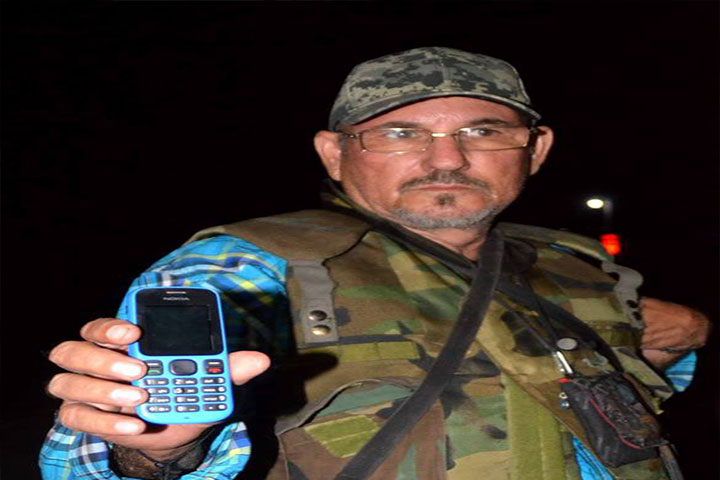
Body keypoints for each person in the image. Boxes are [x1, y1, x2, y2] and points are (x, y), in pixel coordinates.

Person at [41, 47, 711, 480]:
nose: (447, 158)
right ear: (334, 154)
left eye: (483, 131)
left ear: (535, 150)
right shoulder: (241, 265)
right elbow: (103, 453)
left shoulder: (577, 261)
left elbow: (638, 377)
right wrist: (153, 448)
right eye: (399, 133)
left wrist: (688, 332)